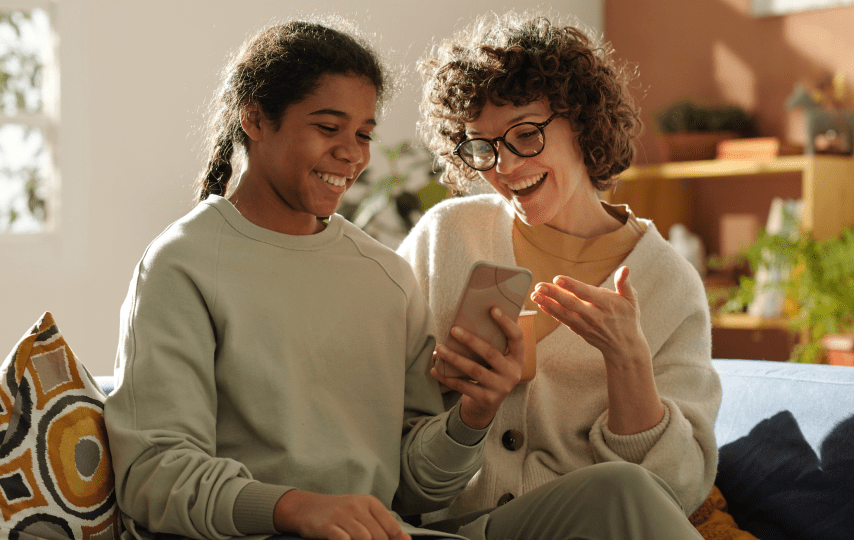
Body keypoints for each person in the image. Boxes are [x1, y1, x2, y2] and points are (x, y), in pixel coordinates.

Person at [103, 18, 526, 540]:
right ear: (255, 119)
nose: (352, 153)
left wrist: (473, 415)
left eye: (363, 134)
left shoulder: (387, 278)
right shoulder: (181, 265)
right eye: (328, 128)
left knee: (611, 491)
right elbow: (154, 475)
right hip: (258, 534)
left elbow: (416, 491)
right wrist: (295, 508)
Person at [398, 11, 721, 538]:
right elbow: (394, 463)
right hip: (455, 531)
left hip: (589, 529)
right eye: (481, 145)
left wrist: (628, 361)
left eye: (526, 134)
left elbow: (675, 492)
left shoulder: (669, 283)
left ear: (582, 122)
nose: (503, 167)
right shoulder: (446, 239)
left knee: (624, 489)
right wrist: (471, 412)